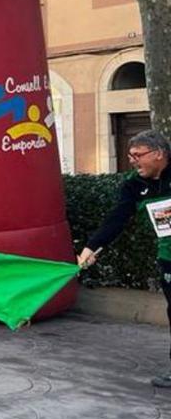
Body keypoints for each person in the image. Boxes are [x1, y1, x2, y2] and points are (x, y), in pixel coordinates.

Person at [78, 130, 171, 387]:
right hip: (169, 259)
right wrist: (91, 247)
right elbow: (117, 218)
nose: (132, 160)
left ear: (159, 154)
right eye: (130, 155)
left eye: (137, 155)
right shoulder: (134, 185)